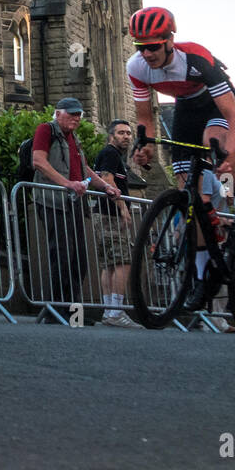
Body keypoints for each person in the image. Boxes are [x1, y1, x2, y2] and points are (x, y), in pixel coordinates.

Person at [127, 8, 235, 310]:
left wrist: (230, 155)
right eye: (140, 46)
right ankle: (201, 277)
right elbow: (145, 118)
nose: (147, 53)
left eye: (153, 46)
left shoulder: (196, 60)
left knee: (214, 142)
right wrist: (145, 145)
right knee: (191, 195)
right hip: (185, 107)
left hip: (216, 105)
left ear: (170, 40)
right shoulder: (135, 68)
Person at [32, 98, 121, 323]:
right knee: (61, 256)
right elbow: (39, 161)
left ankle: (73, 313)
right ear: (57, 113)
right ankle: (57, 312)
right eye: (71, 114)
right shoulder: (46, 130)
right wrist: (67, 183)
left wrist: (106, 186)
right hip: (53, 201)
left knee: (78, 259)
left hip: (73, 203)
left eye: (79, 115)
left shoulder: (73, 138)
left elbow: (85, 168)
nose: (76, 118)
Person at [91, 119, 142, 329]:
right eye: (121, 133)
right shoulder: (110, 154)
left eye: (129, 133)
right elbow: (107, 179)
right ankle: (116, 311)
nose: (126, 137)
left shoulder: (115, 156)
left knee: (110, 264)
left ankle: (109, 310)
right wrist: (123, 208)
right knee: (123, 261)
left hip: (103, 214)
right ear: (111, 135)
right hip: (109, 214)